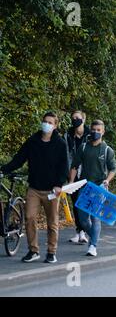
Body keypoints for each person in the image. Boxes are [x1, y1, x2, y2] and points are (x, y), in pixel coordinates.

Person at [0, 112, 68, 264]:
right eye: (45, 121)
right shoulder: (33, 141)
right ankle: (33, 250)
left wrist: (59, 184)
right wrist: (3, 169)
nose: (47, 124)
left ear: (55, 125)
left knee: (52, 222)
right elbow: (19, 159)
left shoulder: (60, 143)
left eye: (50, 122)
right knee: (30, 218)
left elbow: (64, 166)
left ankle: (51, 252)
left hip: (52, 190)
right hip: (34, 188)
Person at [69, 120, 116, 257]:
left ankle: (93, 246)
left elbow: (113, 169)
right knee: (83, 220)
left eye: (98, 130)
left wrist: (107, 180)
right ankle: (94, 236)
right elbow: (74, 166)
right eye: (93, 129)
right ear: (90, 130)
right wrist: (71, 182)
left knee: (95, 218)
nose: (95, 132)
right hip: (84, 187)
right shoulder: (83, 147)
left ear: (103, 132)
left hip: (99, 187)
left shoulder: (107, 150)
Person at [64, 110, 90, 244]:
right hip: (73, 171)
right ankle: (79, 230)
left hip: (86, 172)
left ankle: (84, 231)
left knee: (84, 203)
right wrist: (68, 175)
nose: (75, 120)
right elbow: (66, 153)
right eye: (73, 118)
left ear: (83, 120)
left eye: (77, 118)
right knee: (75, 203)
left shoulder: (90, 134)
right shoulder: (68, 135)